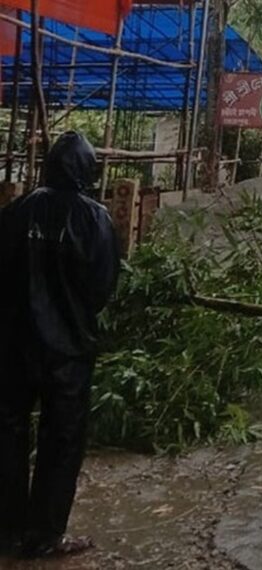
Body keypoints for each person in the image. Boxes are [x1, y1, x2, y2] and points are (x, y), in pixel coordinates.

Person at [0, 132, 120, 558]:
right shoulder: (96, 218)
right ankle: (46, 534)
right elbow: (103, 286)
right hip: (68, 349)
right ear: (87, 171)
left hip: (12, 344)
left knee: (9, 431)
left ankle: (8, 529)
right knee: (62, 438)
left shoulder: (16, 211)